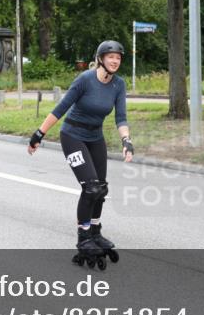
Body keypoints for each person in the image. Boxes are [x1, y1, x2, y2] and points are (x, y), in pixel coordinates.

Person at [27, 40, 134, 267]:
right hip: (73, 136)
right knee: (90, 187)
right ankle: (83, 237)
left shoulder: (119, 85)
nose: (115, 61)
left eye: (118, 58)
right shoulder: (85, 80)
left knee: (101, 189)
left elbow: (121, 117)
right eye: (111, 57)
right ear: (100, 59)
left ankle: (95, 231)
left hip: (95, 137)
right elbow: (60, 109)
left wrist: (126, 140)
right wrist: (39, 134)